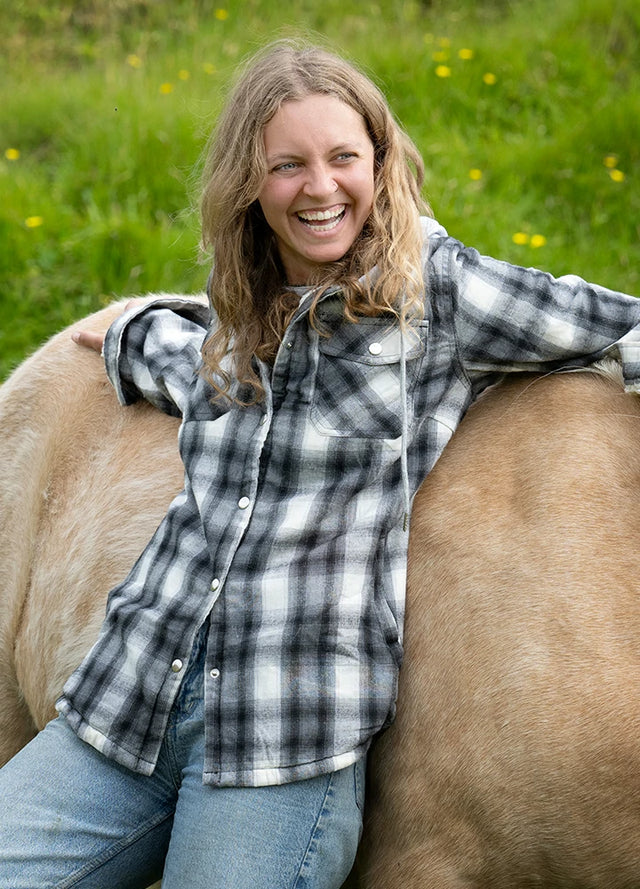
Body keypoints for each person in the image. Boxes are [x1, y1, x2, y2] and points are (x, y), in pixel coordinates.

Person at [1, 37, 640, 889]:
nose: (321, 186)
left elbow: (616, 321)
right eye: (288, 165)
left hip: (279, 749)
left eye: (344, 157)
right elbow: (196, 372)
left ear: (379, 163)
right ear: (249, 184)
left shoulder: (440, 295)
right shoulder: (241, 303)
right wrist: (128, 332)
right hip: (127, 706)